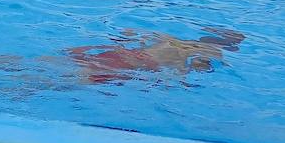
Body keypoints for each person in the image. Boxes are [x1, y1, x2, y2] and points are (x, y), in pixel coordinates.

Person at [65, 28, 245, 85]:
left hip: (123, 54)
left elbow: (130, 33)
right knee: (75, 80)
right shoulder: (211, 51)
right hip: (138, 64)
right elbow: (199, 68)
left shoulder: (171, 39)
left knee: (65, 68)